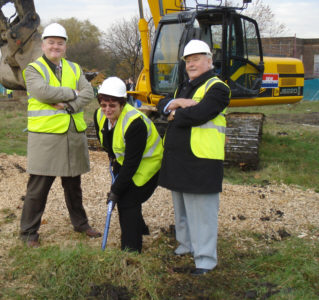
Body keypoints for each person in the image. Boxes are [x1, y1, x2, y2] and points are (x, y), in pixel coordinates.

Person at [20, 22, 101, 247]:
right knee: (38, 187)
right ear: (43, 45)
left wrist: (68, 105)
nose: (56, 47)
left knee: (74, 186)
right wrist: (72, 92)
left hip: (72, 136)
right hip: (46, 138)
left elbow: (88, 92)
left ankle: (81, 223)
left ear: (65, 46)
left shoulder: (74, 68)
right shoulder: (33, 69)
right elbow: (42, 92)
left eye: (60, 43)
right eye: (51, 43)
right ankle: (28, 233)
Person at [156, 40, 230, 275]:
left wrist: (174, 113)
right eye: (188, 61)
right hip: (179, 158)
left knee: (202, 213)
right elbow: (161, 103)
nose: (191, 64)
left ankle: (205, 259)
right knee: (182, 209)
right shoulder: (183, 88)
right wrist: (177, 103)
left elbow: (199, 114)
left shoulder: (218, 88)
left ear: (209, 61)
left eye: (196, 59)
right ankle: (186, 245)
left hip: (202, 160)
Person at [94, 77, 163, 253]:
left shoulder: (135, 123)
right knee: (123, 193)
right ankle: (141, 229)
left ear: (122, 104)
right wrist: (113, 160)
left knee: (127, 201)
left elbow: (132, 164)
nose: (107, 110)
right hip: (125, 163)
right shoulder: (99, 116)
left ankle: (131, 250)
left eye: (112, 106)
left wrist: (116, 190)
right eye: (103, 105)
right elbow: (107, 141)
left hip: (147, 166)